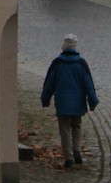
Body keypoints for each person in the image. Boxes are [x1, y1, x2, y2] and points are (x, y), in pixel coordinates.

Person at [39, 34, 99, 167]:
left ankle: (68, 158)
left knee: (64, 129)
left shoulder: (57, 63)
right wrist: (93, 102)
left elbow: (49, 83)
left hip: (62, 103)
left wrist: (45, 99)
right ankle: (77, 150)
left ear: (64, 46)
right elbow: (89, 84)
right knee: (76, 126)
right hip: (78, 103)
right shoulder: (81, 63)